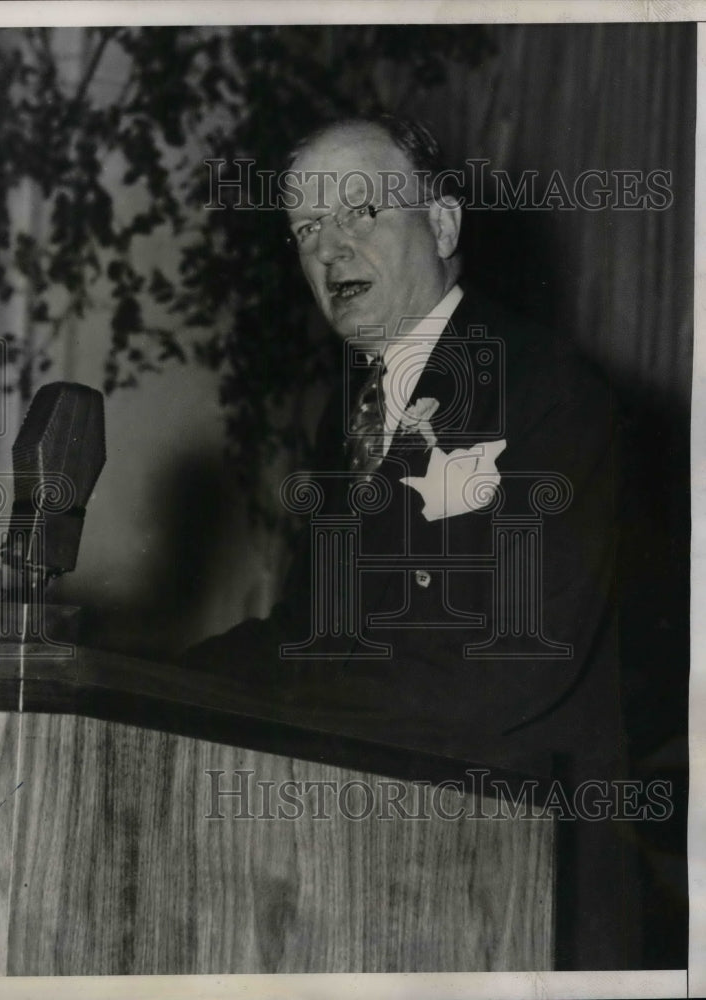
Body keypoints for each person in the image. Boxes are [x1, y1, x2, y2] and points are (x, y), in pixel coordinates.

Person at [182, 114, 640, 968]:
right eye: (307, 228)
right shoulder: (350, 416)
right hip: (377, 874)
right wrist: (146, 676)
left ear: (443, 224)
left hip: (521, 898)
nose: (329, 249)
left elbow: (505, 672)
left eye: (360, 212)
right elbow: (305, 636)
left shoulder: (545, 389)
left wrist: (278, 694)